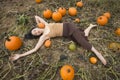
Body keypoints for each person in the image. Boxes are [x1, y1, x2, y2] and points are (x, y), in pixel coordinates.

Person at [9, 16, 107, 65]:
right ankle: (90, 26)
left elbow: (36, 16)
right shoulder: (44, 37)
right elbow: (34, 49)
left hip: (68, 26)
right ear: (37, 36)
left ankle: (97, 53)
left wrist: (38, 23)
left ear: (35, 27)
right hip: (67, 34)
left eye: (35, 30)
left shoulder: (46, 24)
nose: (37, 32)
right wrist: (20, 55)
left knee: (82, 41)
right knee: (83, 36)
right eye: (35, 34)